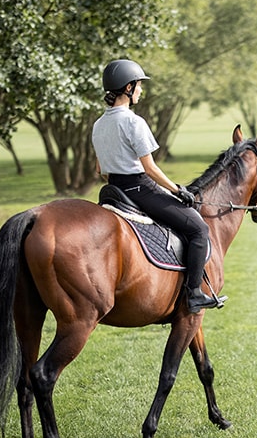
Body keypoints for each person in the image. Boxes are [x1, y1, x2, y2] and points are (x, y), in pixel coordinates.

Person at [92, 59, 225, 313]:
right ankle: (194, 294)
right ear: (128, 88)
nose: (141, 90)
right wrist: (177, 190)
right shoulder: (133, 122)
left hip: (114, 191)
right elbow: (150, 169)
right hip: (141, 189)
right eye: (140, 85)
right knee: (198, 228)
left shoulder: (99, 124)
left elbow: (100, 170)